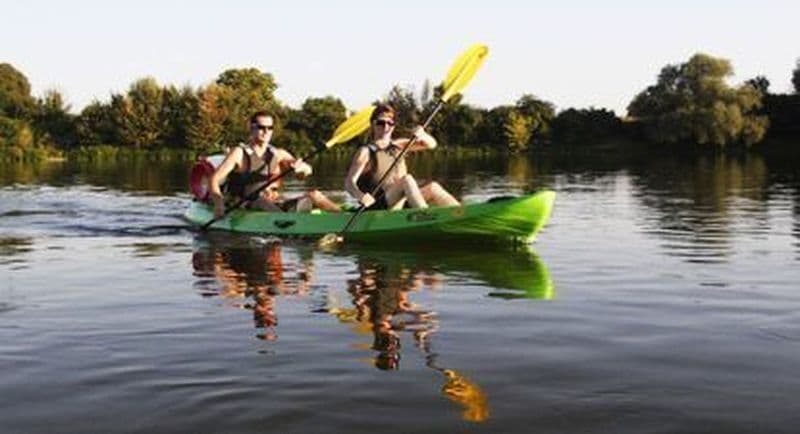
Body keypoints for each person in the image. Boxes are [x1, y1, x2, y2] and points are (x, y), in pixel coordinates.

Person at [209, 111, 340, 218]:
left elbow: (305, 172)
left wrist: (301, 169)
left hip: (273, 201)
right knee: (260, 201)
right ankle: (287, 222)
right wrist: (218, 204)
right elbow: (214, 179)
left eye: (270, 128)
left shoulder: (278, 154)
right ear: (251, 128)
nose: (266, 131)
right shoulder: (239, 153)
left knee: (314, 194)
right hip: (244, 203)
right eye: (261, 127)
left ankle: (341, 217)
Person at [344, 104, 459, 210]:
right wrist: (361, 196)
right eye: (381, 123)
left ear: (393, 127)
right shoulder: (365, 151)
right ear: (373, 124)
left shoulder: (400, 145)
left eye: (390, 123)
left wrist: (422, 135)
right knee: (406, 180)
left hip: (399, 201)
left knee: (433, 187)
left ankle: (459, 213)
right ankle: (424, 215)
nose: (385, 126)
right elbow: (349, 183)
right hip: (377, 206)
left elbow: (432, 144)